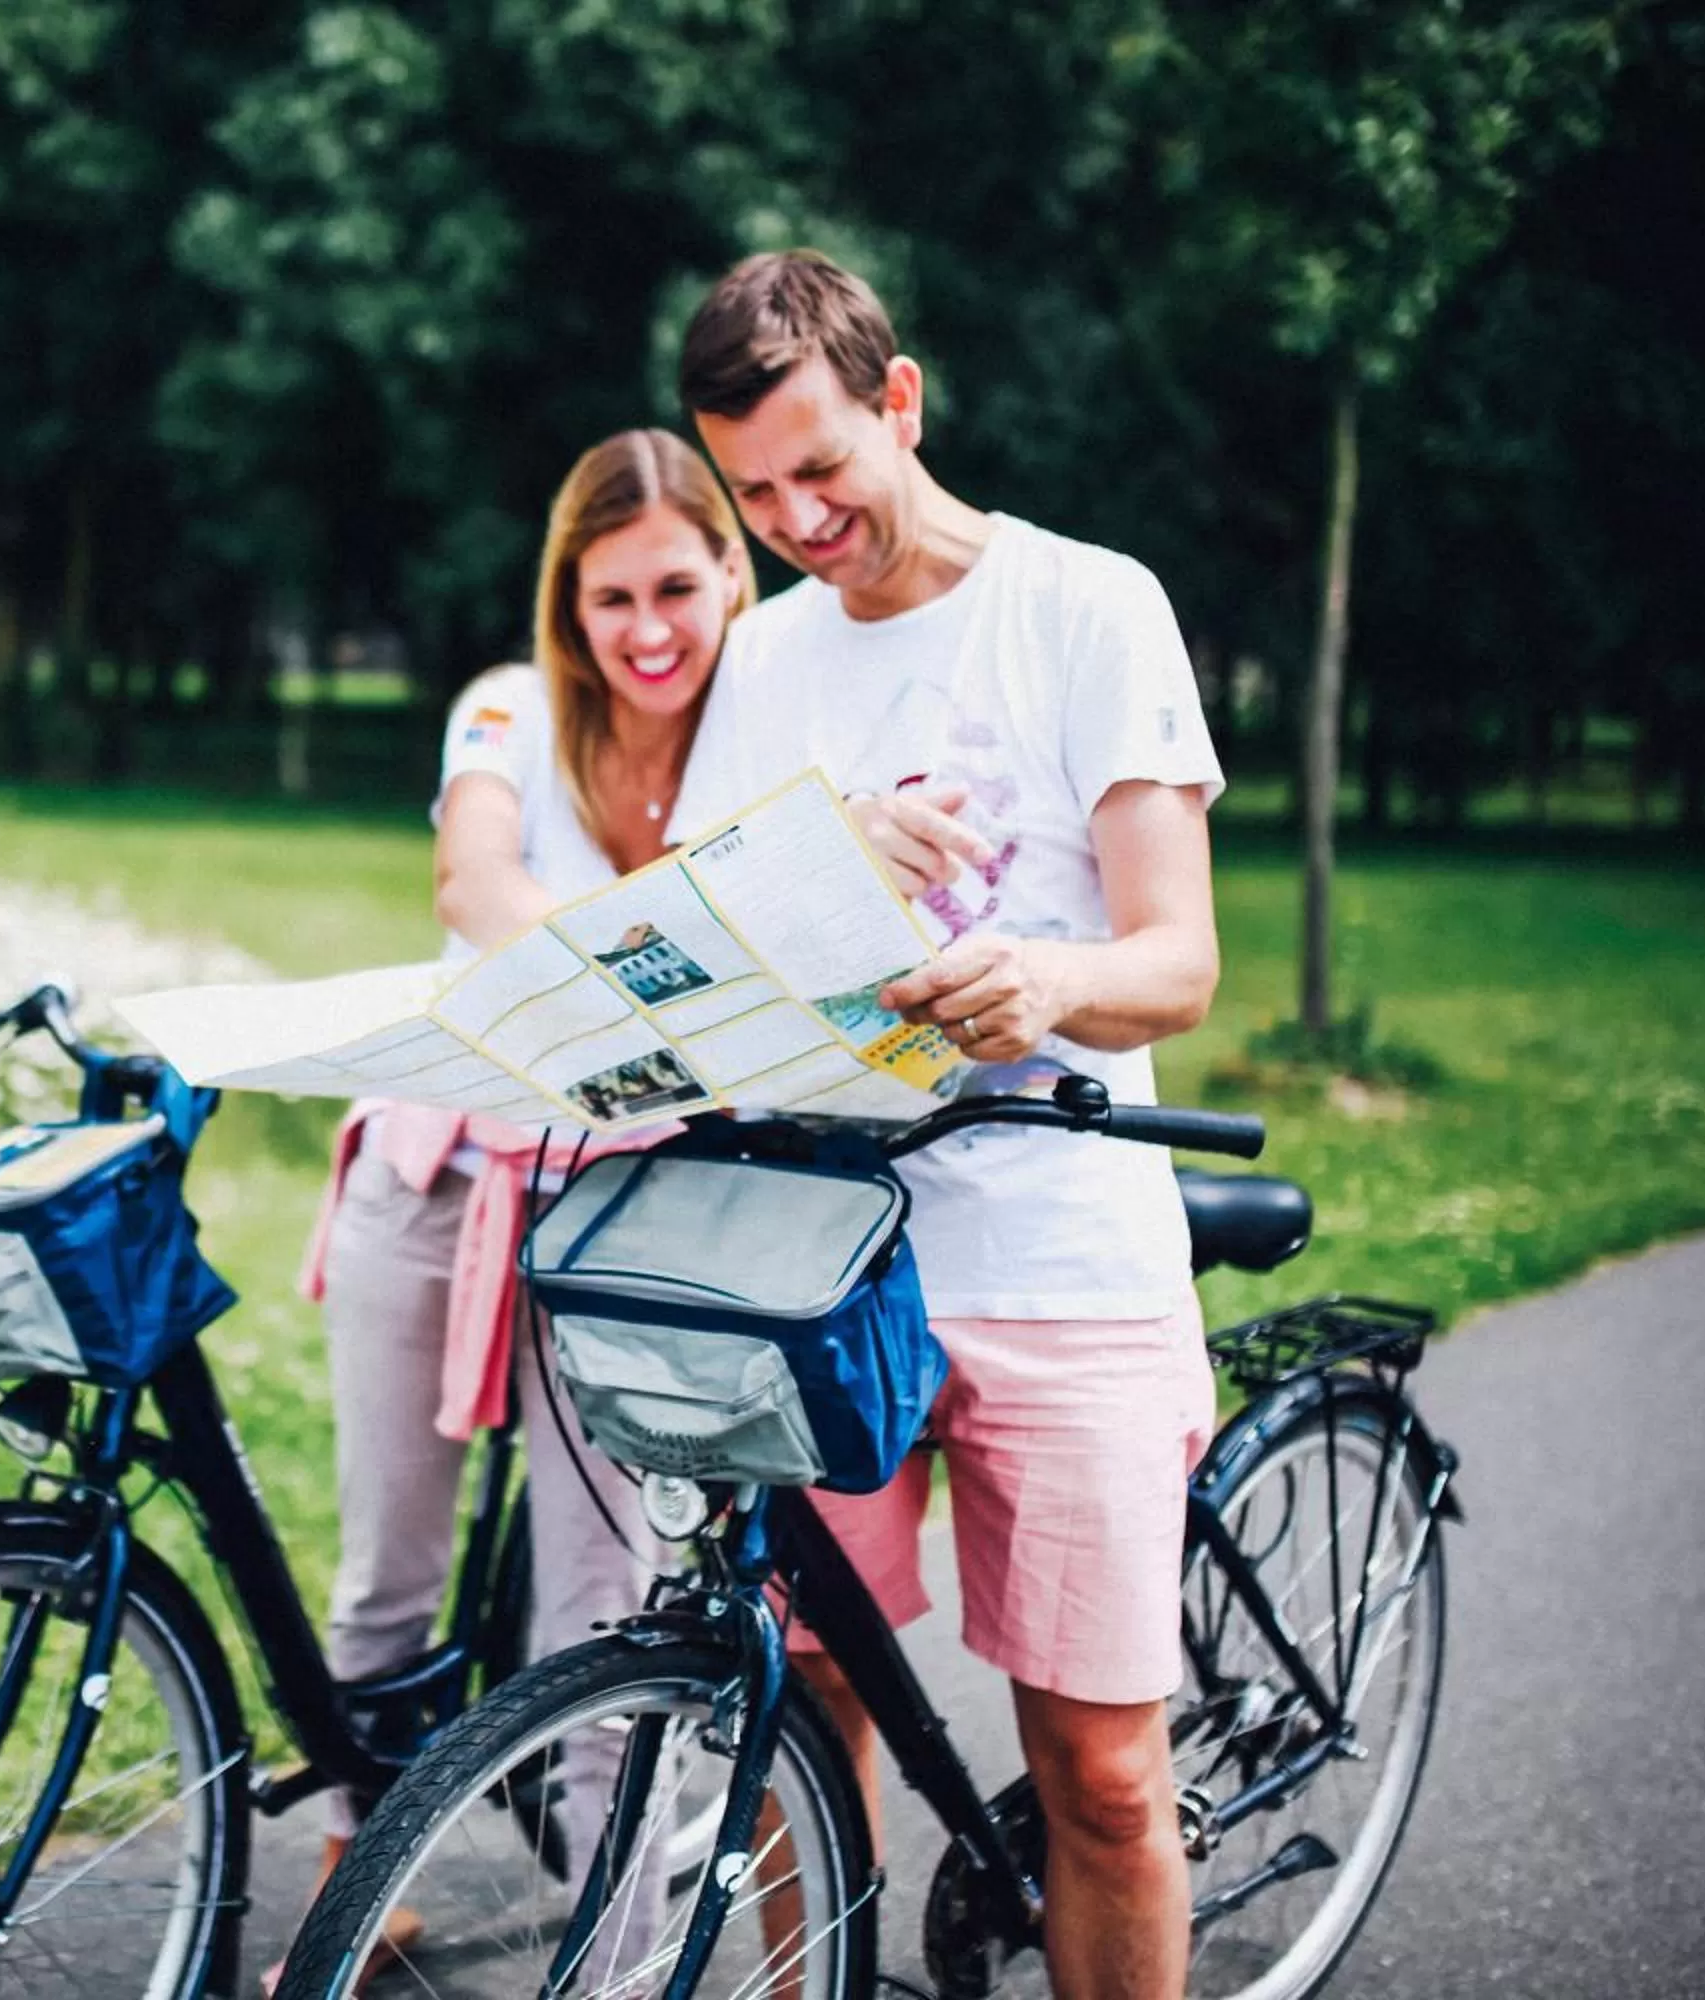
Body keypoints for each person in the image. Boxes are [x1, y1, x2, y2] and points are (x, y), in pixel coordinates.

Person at [673, 250, 1225, 2000]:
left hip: (1059, 1256)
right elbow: (706, 949)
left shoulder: (1087, 606)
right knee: (801, 1695)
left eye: (821, 467)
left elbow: (1180, 962)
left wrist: (1049, 986)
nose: (795, 520)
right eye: (753, 493)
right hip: (830, 1261)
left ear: (900, 399)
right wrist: (807, 873)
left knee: (1106, 1774)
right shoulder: (760, 664)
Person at [278, 428, 756, 1982]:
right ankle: (362, 1896)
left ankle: (615, 1964)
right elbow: (477, 897)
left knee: (603, 1613)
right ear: (569, 601)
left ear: (731, 574)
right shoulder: (508, 708)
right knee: (384, 1581)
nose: (647, 630)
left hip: (630, 1222)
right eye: (610, 597)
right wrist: (680, 967)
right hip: (441, 1176)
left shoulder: (767, 734)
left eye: (677, 586)